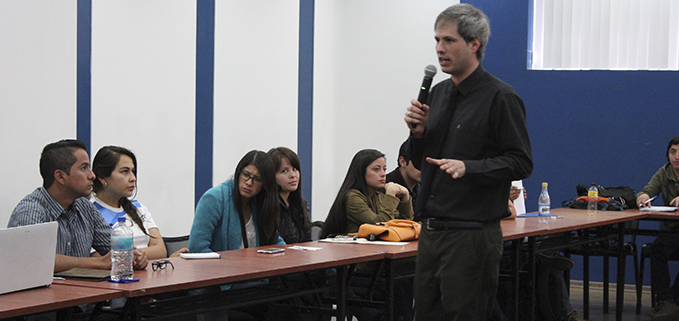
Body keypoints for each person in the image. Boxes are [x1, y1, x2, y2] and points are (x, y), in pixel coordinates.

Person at [403, 4, 533, 320]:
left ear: (474, 43)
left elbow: (520, 162)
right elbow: (420, 161)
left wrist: (470, 167)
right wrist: (417, 135)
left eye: (449, 40)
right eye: (437, 40)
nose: (439, 49)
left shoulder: (500, 97)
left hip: (471, 235)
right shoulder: (439, 93)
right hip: (431, 230)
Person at [7, 139, 148, 273]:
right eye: (84, 168)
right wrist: (98, 263)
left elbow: (113, 246)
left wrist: (134, 257)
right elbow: (34, 260)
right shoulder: (30, 211)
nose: (92, 175)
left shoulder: (85, 207)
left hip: (83, 294)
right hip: (41, 296)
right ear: (61, 177)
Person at [91, 146, 188, 260]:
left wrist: (127, 255)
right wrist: (137, 256)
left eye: (133, 171)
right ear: (102, 177)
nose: (133, 178)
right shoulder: (89, 212)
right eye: (125, 172)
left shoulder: (138, 208)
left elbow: (160, 250)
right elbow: (99, 259)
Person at [189, 150, 285, 253]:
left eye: (257, 179)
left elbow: (275, 241)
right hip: (221, 267)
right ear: (238, 172)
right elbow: (197, 248)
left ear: (265, 185)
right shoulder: (214, 199)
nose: (249, 182)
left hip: (256, 267)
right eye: (246, 174)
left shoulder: (260, 202)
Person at [320, 149, 413, 238]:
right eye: (376, 169)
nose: (383, 174)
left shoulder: (378, 195)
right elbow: (380, 227)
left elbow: (404, 226)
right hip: (348, 251)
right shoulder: (352, 197)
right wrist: (390, 195)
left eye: (384, 169)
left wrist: (405, 197)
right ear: (361, 172)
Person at [637, 136, 679, 320]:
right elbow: (647, 190)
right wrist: (643, 197)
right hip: (670, 231)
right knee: (657, 250)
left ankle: (671, 299)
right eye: (673, 152)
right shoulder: (664, 172)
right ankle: (665, 301)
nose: (677, 156)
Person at [267, 147, 312, 244]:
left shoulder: (299, 204)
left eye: (295, 169)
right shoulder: (267, 206)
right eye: (284, 171)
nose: (292, 175)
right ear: (271, 175)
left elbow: (306, 240)